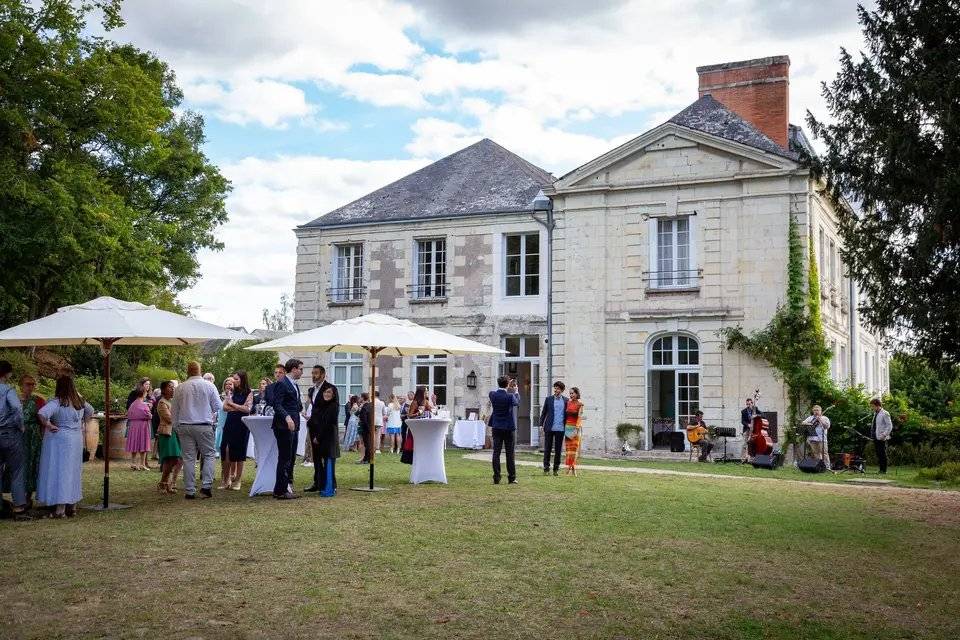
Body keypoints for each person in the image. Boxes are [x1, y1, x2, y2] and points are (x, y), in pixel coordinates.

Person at [36, 376, 93, 518]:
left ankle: (60, 509)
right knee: (73, 472)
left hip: (60, 439)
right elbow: (90, 411)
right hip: (75, 438)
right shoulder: (79, 401)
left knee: (61, 472)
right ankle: (72, 507)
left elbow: (42, 414)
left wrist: (49, 425)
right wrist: (80, 423)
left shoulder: (57, 402)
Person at [172, 361, 222, 499]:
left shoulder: (180, 387)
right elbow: (218, 406)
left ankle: (189, 490)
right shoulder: (209, 385)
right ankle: (206, 486)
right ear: (200, 371)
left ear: (187, 371)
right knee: (209, 455)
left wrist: (176, 426)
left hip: (185, 425)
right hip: (204, 425)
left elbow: (174, 409)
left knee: (188, 458)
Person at [0, 361, 30, 520]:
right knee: (17, 469)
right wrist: (21, 425)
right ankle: (19, 506)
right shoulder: (8, 390)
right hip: (9, 432)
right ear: (8, 374)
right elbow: (17, 408)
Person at [271, 358, 304, 499]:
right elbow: (277, 405)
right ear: (294, 369)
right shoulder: (282, 383)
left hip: (294, 426)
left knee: (290, 457)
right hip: (284, 426)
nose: (302, 372)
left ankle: (285, 487)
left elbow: (295, 405)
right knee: (284, 457)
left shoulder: (294, 385)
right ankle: (280, 490)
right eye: (301, 369)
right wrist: (287, 417)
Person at [304, 365, 337, 491]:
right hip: (313, 427)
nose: (313, 375)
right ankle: (317, 482)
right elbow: (314, 410)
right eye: (312, 373)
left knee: (327, 457)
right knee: (316, 457)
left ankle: (330, 485)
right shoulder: (312, 390)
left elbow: (332, 412)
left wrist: (321, 433)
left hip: (326, 429)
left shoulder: (330, 388)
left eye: (316, 373)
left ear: (323, 375)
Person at [220, 371, 253, 491]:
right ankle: (226, 479)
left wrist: (233, 405)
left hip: (242, 424)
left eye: (236, 379)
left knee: (239, 452)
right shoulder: (231, 391)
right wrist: (237, 407)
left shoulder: (248, 392)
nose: (233, 381)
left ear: (243, 380)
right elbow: (224, 407)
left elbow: (247, 409)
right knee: (226, 450)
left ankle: (238, 480)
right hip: (230, 423)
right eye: (233, 378)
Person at [308, 386, 341, 497]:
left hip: (329, 438)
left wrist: (318, 437)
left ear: (333, 394)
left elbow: (328, 424)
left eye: (329, 392)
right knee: (325, 463)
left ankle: (329, 488)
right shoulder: (324, 405)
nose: (326, 394)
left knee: (329, 463)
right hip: (325, 438)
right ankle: (326, 486)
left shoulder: (333, 406)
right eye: (325, 392)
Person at [18, 375, 46, 502]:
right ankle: (16, 496)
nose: (30, 387)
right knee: (18, 465)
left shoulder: (38, 401)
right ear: (21, 385)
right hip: (17, 436)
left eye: (32, 384)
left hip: (33, 438)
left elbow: (43, 421)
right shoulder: (14, 400)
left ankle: (28, 497)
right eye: (27, 384)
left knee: (32, 465)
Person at [488, 376, 520, 484]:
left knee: (496, 453)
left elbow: (497, 393)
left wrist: (506, 385)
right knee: (510, 453)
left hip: (496, 426)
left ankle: (496, 478)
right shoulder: (510, 396)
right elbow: (516, 402)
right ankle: (511, 478)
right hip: (508, 427)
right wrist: (516, 391)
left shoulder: (492, 394)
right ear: (507, 385)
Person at [155, 381, 182, 494]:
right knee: (168, 459)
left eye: (173, 387)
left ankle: (167, 484)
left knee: (175, 459)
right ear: (163, 390)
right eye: (170, 387)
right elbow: (170, 419)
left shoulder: (172, 401)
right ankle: (162, 484)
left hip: (174, 433)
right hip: (166, 433)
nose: (172, 389)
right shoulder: (162, 403)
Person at [539, 381, 568, 476]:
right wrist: (540, 424)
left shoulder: (566, 400)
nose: (556, 390)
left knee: (558, 450)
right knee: (547, 449)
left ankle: (556, 469)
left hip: (560, 428)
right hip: (549, 428)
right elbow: (544, 413)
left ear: (562, 390)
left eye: (558, 388)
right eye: (555, 388)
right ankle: (546, 468)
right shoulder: (549, 399)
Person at [125, 378, 154, 471]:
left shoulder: (133, 404)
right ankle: (142, 464)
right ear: (143, 393)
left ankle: (133, 462)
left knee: (134, 443)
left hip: (133, 426)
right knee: (143, 444)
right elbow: (148, 415)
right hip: (142, 426)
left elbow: (129, 413)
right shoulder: (143, 404)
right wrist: (150, 413)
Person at [563, 387, 584, 475]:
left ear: (577, 394)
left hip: (576, 428)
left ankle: (570, 469)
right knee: (568, 450)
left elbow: (579, 418)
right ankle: (572, 469)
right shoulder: (567, 403)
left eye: (572, 393)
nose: (571, 395)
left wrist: (576, 428)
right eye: (570, 393)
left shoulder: (580, 404)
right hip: (567, 428)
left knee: (574, 450)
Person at [870, 398, 893, 474]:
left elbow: (889, 426)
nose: (872, 408)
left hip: (882, 437)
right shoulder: (875, 413)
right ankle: (880, 469)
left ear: (877, 405)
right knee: (878, 454)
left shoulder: (885, 413)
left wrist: (884, 435)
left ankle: (884, 470)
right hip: (876, 436)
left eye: (873, 406)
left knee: (882, 454)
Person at [740, 396, 758, 462]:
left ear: (752, 403)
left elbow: (762, 415)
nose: (748, 405)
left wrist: (756, 415)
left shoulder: (755, 409)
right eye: (747, 404)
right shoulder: (743, 411)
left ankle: (752, 458)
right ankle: (743, 459)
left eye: (749, 404)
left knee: (753, 444)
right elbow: (742, 421)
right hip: (747, 429)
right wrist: (748, 424)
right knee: (745, 444)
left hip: (755, 430)